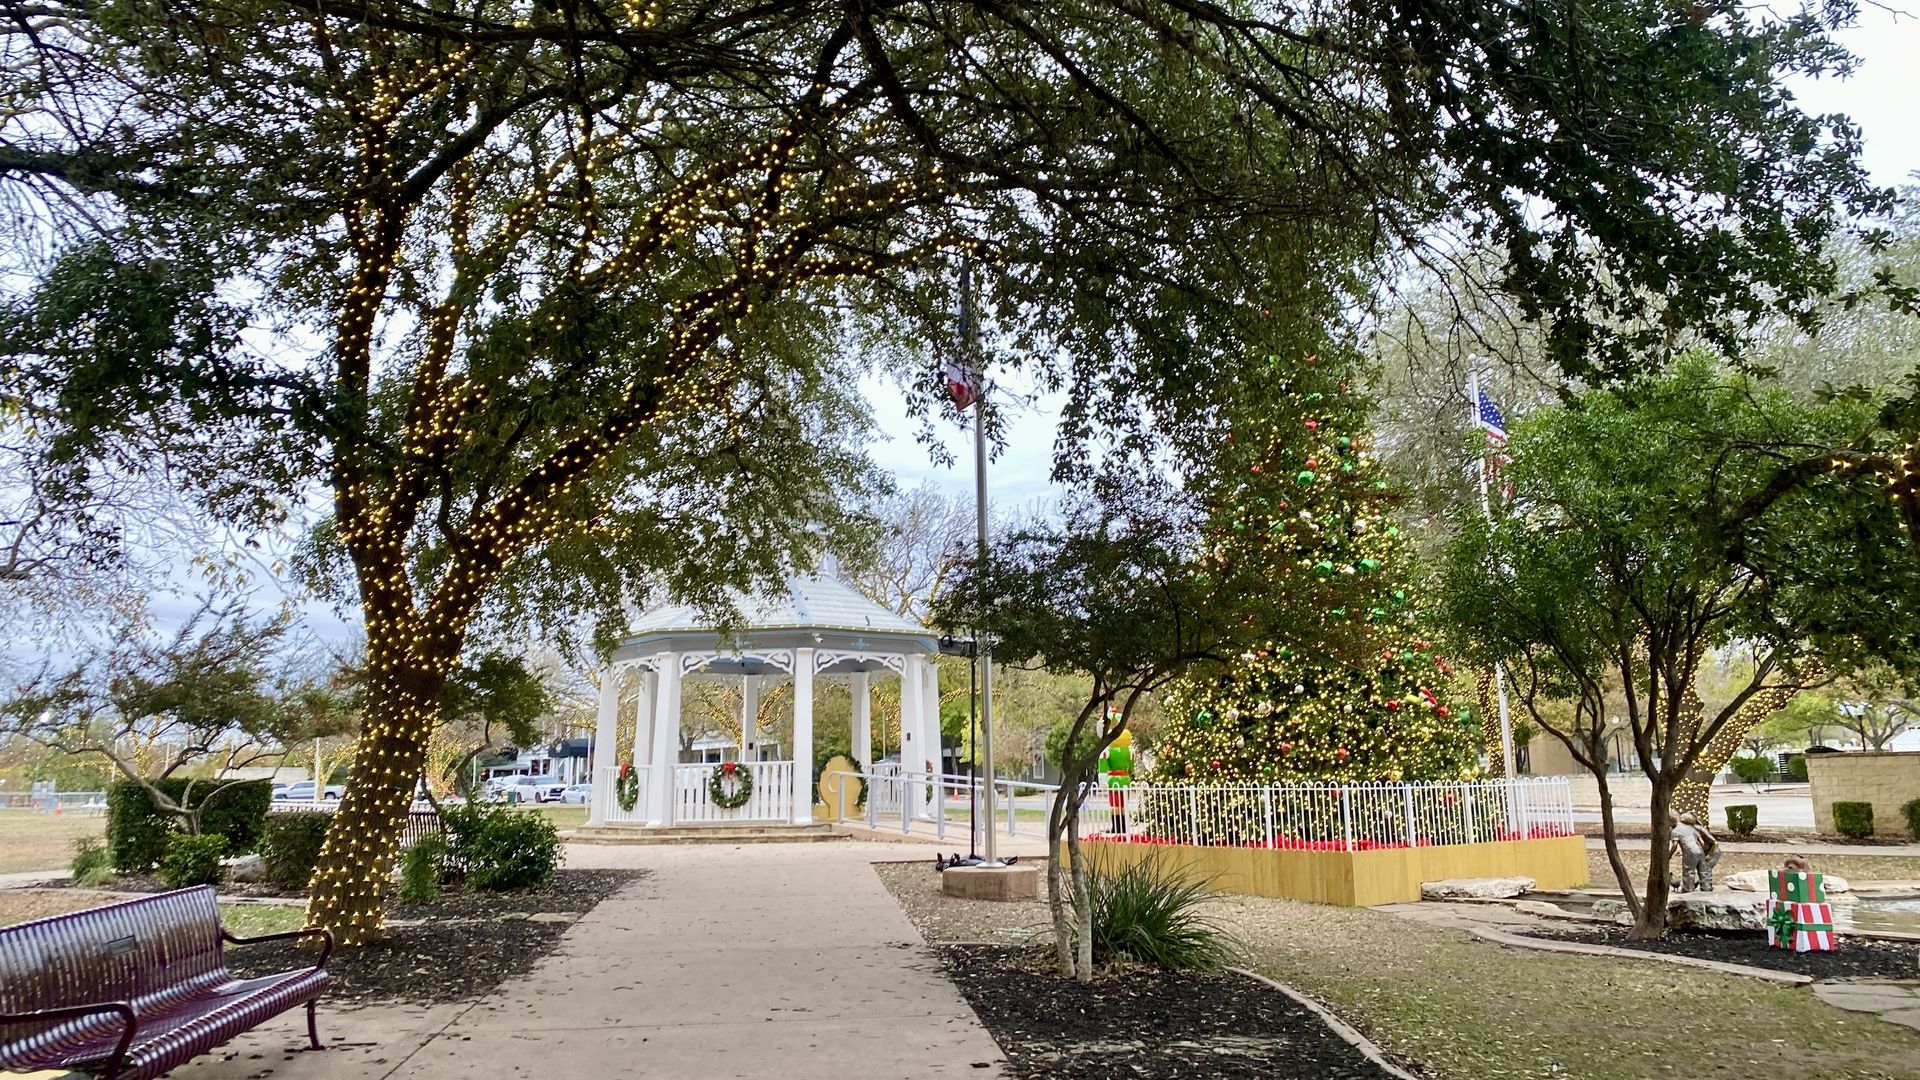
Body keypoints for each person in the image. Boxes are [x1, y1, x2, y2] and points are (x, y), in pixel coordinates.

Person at [1669, 813, 1722, 892]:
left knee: (1689, 872)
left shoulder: (1676, 831)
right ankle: (1706, 889)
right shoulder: (1692, 829)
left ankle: (1688, 889)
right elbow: (1702, 842)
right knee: (1703, 871)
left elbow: (1674, 846)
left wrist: (1669, 855)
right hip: (1700, 850)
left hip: (1696, 852)